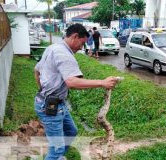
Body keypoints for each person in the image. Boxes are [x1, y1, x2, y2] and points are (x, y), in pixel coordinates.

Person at [34, 24, 119, 160]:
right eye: (82, 43)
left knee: (70, 131)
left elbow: (36, 70)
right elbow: (72, 82)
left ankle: (58, 157)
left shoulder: (52, 47)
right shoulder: (64, 54)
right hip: (50, 106)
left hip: (55, 102)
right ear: (74, 37)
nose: (82, 47)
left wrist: (43, 90)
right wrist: (102, 83)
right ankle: (56, 156)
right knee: (57, 148)